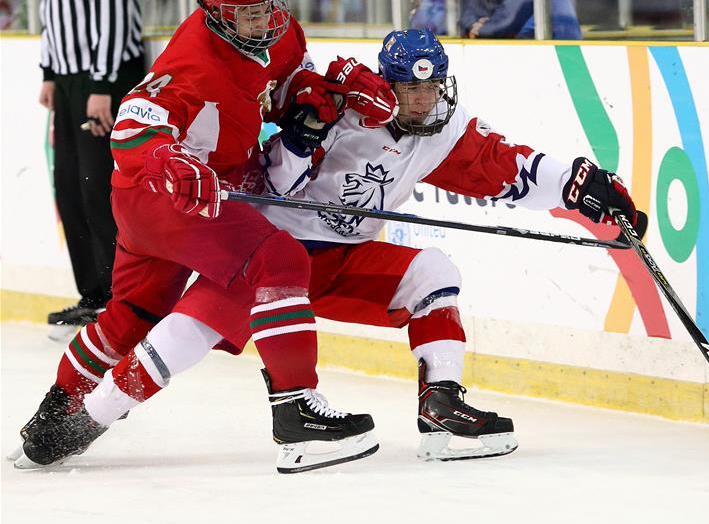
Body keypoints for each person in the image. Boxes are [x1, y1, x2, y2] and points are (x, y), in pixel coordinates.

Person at [38, 29, 640, 468]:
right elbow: (276, 182)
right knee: (184, 335)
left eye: (431, 89)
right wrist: (304, 135)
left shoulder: (445, 131)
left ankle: (441, 406)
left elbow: (509, 168)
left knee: (433, 272)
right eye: (409, 89)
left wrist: (583, 185)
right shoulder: (344, 110)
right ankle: (87, 421)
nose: (421, 102)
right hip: (271, 255)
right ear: (388, 83)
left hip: (344, 260)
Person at [12, 0, 397, 474]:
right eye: (249, 12)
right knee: (280, 260)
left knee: (135, 313)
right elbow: (132, 126)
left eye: (268, 6)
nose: (264, 20)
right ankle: (296, 409)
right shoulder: (192, 60)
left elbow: (283, 85)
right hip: (168, 193)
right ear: (216, 12)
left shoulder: (281, 32)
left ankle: (54, 418)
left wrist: (324, 94)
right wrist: (170, 160)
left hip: (182, 192)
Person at [37, 0, 147, 331]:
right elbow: (50, 6)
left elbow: (112, 10)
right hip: (68, 79)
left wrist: (103, 83)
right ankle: (95, 295)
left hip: (104, 78)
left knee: (100, 189)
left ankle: (124, 300)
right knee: (70, 188)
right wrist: (49, 72)